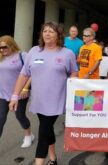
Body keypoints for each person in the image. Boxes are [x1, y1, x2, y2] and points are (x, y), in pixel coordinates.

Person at [9, 21, 78, 165]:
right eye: (45, 31)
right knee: (47, 129)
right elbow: (24, 74)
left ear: (59, 35)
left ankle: (39, 162)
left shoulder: (67, 54)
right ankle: (53, 158)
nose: (47, 33)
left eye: (51, 31)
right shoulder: (34, 51)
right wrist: (15, 96)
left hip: (56, 100)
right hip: (39, 100)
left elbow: (74, 73)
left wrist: (73, 84)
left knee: (44, 130)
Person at [0, 35, 34, 148]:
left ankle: (28, 135)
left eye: (4, 47)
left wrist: (25, 88)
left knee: (20, 115)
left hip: (19, 93)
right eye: (0, 47)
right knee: (0, 118)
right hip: (2, 94)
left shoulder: (22, 55)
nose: (2, 50)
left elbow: (31, 72)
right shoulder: (0, 57)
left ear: (11, 45)